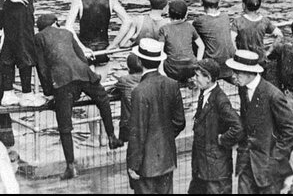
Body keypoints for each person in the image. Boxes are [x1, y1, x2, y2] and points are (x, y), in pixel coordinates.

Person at [34, 12, 121, 179]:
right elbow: (81, 57)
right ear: (56, 23)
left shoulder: (39, 38)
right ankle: (111, 136)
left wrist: (48, 92)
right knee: (102, 98)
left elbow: (42, 67)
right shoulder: (66, 33)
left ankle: (70, 166)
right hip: (83, 73)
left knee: (65, 125)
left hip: (62, 81)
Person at [228, 49, 293, 194]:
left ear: (250, 72)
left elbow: (290, 130)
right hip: (246, 162)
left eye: (237, 72)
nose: (234, 76)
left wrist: (275, 159)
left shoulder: (273, 95)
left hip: (268, 167)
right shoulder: (243, 89)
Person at [124, 38, 185, 193]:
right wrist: (165, 137)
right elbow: (180, 122)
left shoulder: (139, 91)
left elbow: (137, 132)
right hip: (167, 158)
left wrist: (133, 165)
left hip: (146, 164)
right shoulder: (172, 84)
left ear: (139, 61)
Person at [189, 57, 242, 194]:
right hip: (203, 167)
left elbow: (238, 127)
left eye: (197, 76)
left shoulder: (220, 100)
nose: (194, 78)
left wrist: (222, 139)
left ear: (208, 78)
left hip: (216, 171)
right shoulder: (205, 94)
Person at [66, 0, 132, 65]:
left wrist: (82, 48)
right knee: (101, 80)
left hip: (85, 51)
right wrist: (114, 44)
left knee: (87, 80)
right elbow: (128, 21)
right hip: (104, 49)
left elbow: (68, 27)